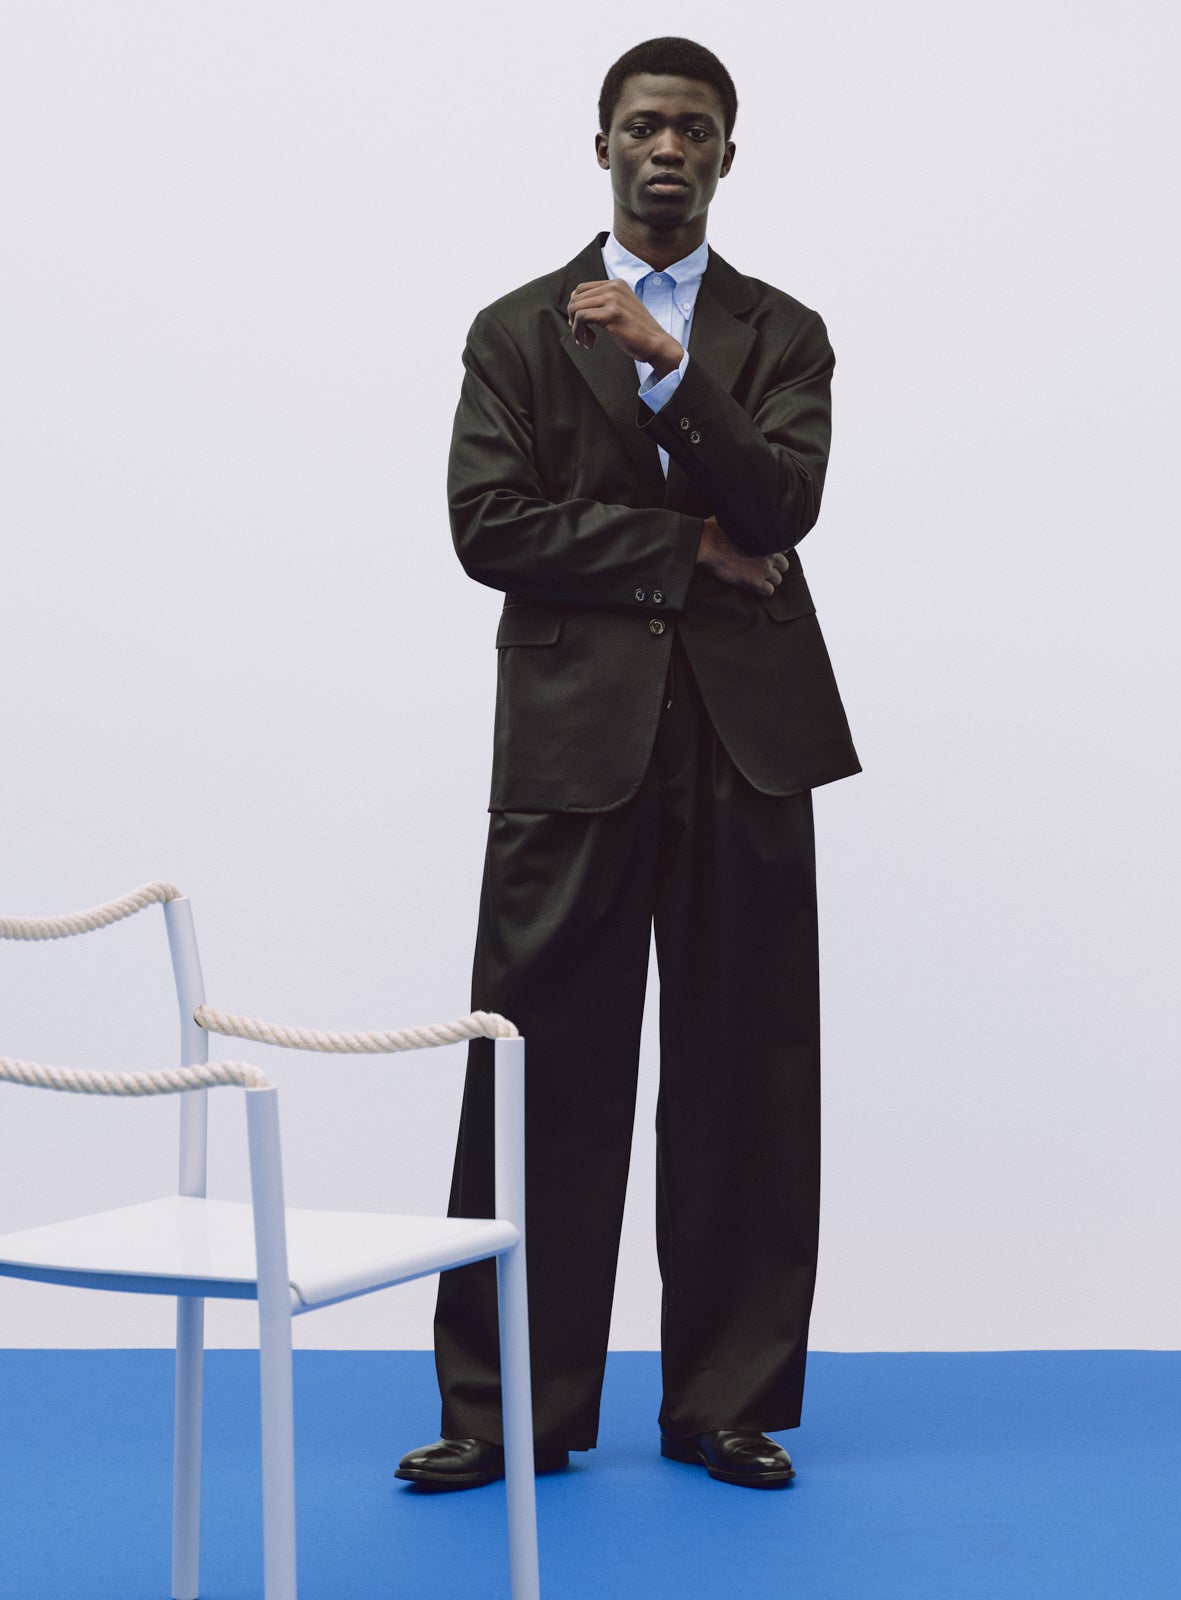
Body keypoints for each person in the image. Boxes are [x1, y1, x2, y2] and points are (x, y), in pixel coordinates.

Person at [396, 36, 859, 1494]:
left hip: (745, 739)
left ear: (728, 155)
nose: (670, 149)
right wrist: (680, 549)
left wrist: (672, 372)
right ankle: (506, 1409)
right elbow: (490, 526)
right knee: (537, 1066)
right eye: (647, 125)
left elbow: (782, 506)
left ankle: (725, 1399)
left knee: (747, 1066)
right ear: (601, 143)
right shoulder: (515, 330)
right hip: (572, 742)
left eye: (697, 130)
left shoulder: (784, 334)